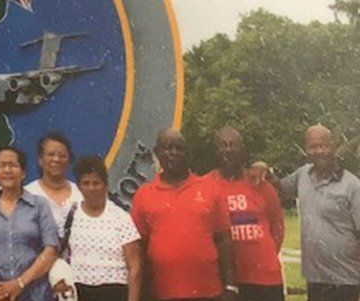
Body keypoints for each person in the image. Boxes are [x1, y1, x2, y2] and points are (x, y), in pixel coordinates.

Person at [130, 128, 238, 301]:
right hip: (162, 293)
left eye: (179, 148)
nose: (173, 153)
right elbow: (139, 248)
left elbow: (224, 240)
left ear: (188, 153)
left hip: (208, 292)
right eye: (167, 148)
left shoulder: (209, 189)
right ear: (157, 153)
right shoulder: (143, 195)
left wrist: (231, 287)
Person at [271, 125, 360, 301]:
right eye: (313, 146)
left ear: (333, 146)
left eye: (324, 145)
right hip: (315, 280)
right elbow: (277, 189)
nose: (319, 151)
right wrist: (263, 169)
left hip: (345, 280)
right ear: (306, 149)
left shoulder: (353, 186)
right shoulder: (302, 175)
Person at [203, 127, 284, 301]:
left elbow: (277, 229)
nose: (228, 150)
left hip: (264, 278)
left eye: (233, 145)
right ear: (215, 151)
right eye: (223, 145)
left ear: (243, 150)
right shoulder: (205, 186)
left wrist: (262, 258)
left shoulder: (260, 184)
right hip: (227, 279)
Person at [0, 146, 58, 301]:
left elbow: (50, 249)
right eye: (1, 165)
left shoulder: (39, 205)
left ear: (23, 173)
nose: (7, 170)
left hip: (33, 294)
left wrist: (20, 284)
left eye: (12, 165)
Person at [65, 156, 141, 301]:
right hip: (79, 292)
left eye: (96, 183)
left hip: (114, 292)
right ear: (79, 186)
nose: (91, 188)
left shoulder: (120, 218)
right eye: (86, 183)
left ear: (105, 185)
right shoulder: (69, 215)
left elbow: (135, 266)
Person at [24, 132, 82, 230]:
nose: (56, 159)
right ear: (40, 160)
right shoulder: (28, 195)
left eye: (62, 156)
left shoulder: (80, 194)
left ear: (69, 161)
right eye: (51, 154)